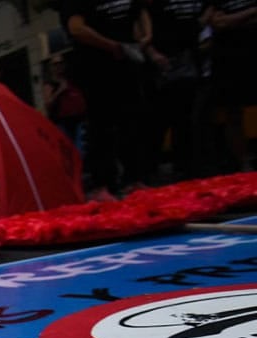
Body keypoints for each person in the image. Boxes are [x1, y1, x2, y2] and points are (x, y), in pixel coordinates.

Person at [60, 0, 153, 200]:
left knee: (132, 122)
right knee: (101, 127)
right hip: (96, 70)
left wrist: (145, 37)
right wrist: (112, 46)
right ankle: (102, 184)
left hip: (126, 66)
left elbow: (140, 11)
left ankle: (134, 178)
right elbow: (76, 28)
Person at [142, 0, 208, 182]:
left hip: (188, 58)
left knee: (186, 118)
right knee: (158, 118)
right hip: (161, 61)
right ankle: (149, 168)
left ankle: (185, 167)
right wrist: (151, 52)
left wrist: (201, 24)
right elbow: (140, 19)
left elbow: (210, 8)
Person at [208, 0, 257, 173]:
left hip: (252, 52)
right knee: (233, 113)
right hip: (229, 59)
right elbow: (218, 22)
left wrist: (232, 20)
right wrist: (252, 12)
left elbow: (225, 22)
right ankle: (244, 165)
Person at [42, 53, 87, 152]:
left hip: (77, 120)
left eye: (61, 63)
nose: (58, 66)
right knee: (68, 150)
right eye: (55, 64)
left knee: (80, 150)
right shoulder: (49, 84)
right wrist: (60, 91)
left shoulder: (70, 79)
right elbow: (48, 104)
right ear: (51, 67)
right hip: (61, 123)